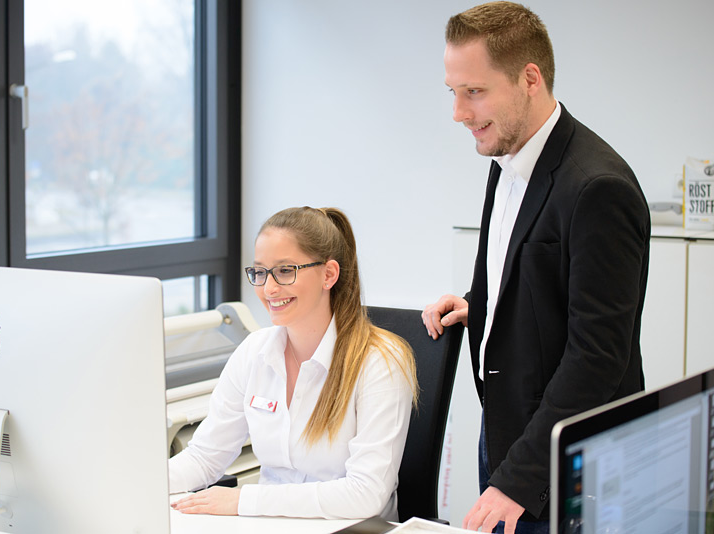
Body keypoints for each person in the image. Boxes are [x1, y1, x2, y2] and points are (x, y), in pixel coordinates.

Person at [421, 3, 650, 533]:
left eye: (473, 91)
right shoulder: (505, 159)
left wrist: (517, 478)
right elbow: (541, 281)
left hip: (568, 468)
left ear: (530, 79)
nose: (458, 112)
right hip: (506, 430)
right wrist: (480, 307)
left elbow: (597, 356)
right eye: (452, 92)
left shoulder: (598, 188)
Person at [169, 206, 418, 520]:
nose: (268, 288)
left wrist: (243, 501)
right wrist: (136, 483)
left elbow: (365, 493)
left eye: (285, 271)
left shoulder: (380, 362)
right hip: (270, 525)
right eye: (259, 272)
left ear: (329, 274)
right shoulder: (254, 352)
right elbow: (204, 458)